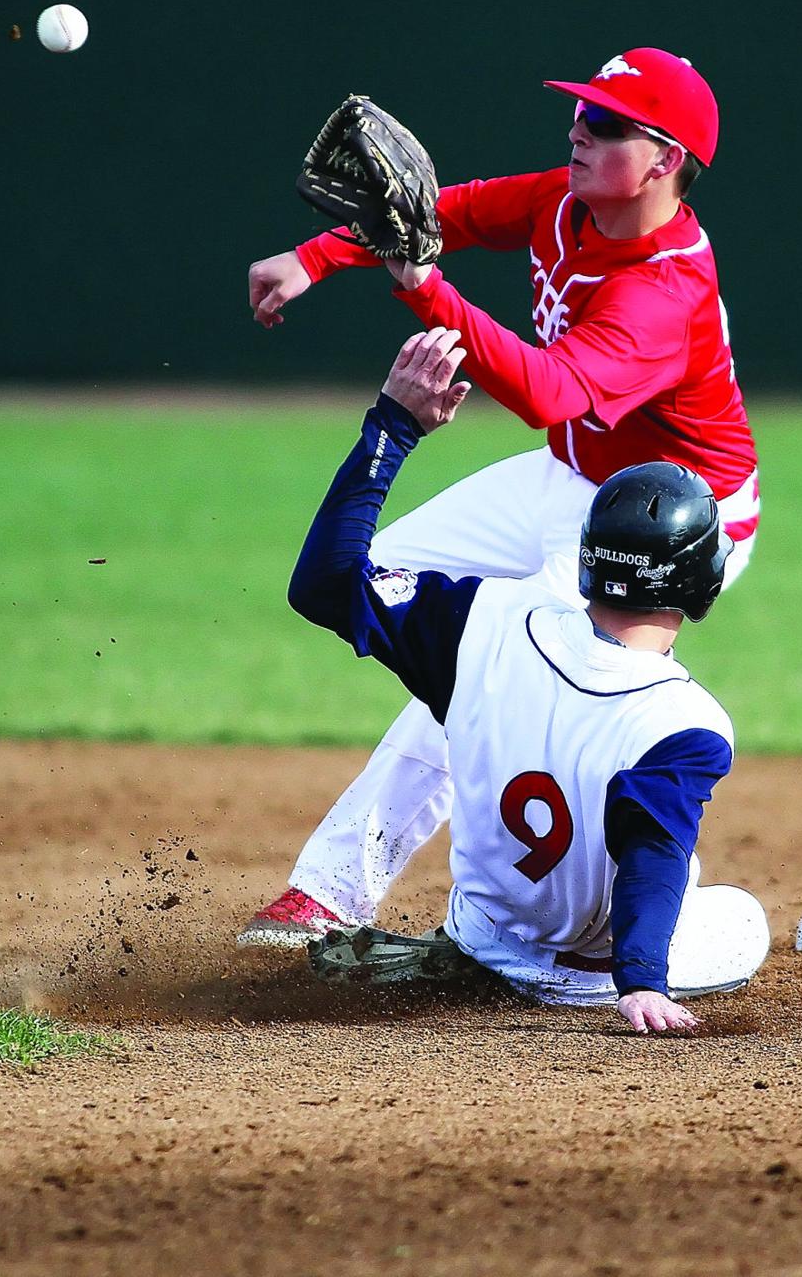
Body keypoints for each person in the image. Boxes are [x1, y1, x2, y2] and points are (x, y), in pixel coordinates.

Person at [239, 47, 762, 949]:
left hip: (670, 522)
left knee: (498, 669)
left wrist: (426, 293)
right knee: (378, 574)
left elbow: (551, 391)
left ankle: (334, 892)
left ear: (668, 158)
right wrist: (314, 260)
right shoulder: (567, 201)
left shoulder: (666, 286)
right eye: (579, 113)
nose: (578, 132)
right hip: (571, 476)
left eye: (605, 123)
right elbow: (431, 215)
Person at [288, 327, 769, 1032]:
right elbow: (652, 852)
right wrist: (642, 982)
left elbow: (324, 582)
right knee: (742, 916)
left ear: (585, 562)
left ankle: (471, 955)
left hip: (486, 940)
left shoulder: (482, 621)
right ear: (702, 589)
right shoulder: (689, 724)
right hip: (590, 981)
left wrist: (393, 423)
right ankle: (554, 972)